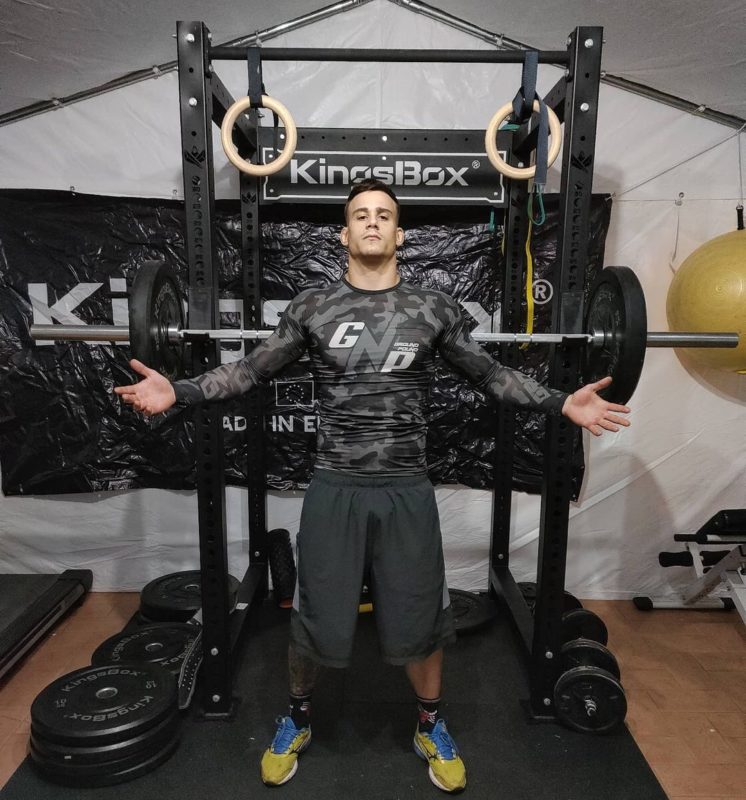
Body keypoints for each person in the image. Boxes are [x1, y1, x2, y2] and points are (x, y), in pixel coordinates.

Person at [115, 179, 630, 793]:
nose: (372, 222)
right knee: (315, 613)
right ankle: (298, 716)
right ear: (344, 233)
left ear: (400, 234)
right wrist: (181, 390)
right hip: (335, 486)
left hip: (406, 488)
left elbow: (491, 375)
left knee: (421, 615)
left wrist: (559, 402)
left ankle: (430, 724)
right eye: (360, 214)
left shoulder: (434, 309)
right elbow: (249, 371)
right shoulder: (313, 306)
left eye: (384, 215)